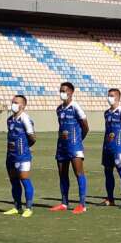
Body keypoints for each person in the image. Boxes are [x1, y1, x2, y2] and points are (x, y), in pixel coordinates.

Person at [52, 82, 89, 215]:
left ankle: (82, 204)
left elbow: (85, 126)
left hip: (74, 146)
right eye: (61, 90)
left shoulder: (76, 107)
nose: (62, 93)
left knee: (79, 173)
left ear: (71, 92)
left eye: (64, 91)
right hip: (61, 146)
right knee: (62, 174)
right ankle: (64, 203)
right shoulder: (59, 109)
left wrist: (78, 140)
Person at [4, 95, 36, 217]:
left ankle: (29, 208)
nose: (13, 104)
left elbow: (32, 137)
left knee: (24, 179)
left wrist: (25, 147)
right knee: (14, 181)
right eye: (12, 102)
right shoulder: (10, 120)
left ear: (23, 105)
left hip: (22, 155)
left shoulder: (25, 118)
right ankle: (17, 206)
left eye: (16, 102)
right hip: (10, 155)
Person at [102, 88, 121, 208]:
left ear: (118, 98)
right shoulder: (107, 113)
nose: (110, 98)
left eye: (112, 96)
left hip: (118, 147)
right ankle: (110, 198)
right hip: (107, 147)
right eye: (109, 95)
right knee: (108, 172)